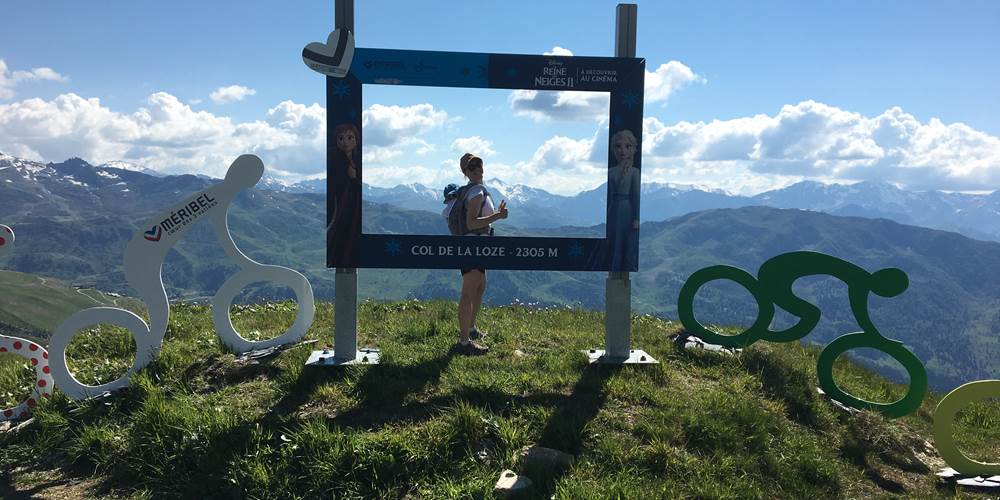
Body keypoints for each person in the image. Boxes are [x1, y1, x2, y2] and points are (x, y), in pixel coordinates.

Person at [448, 153, 508, 355]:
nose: (477, 169)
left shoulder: (474, 191)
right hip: (472, 245)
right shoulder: (476, 193)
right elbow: (471, 223)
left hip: (475, 245)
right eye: (471, 167)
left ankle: (471, 329)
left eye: (479, 165)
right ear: (465, 172)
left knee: (480, 285)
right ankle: (464, 342)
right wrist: (497, 216)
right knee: (469, 290)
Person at [327, 123, 362, 267]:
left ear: (356, 140)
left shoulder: (356, 161)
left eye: (349, 138)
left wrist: (354, 178)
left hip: (352, 206)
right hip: (340, 206)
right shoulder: (335, 159)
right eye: (341, 138)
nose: (345, 142)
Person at [607, 129, 640, 271]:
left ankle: (626, 266)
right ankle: (614, 265)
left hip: (627, 209)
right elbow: (609, 195)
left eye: (627, 146)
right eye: (618, 146)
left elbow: (636, 196)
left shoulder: (634, 172)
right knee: (615, 241)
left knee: (627, 241)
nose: (623, 150)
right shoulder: (611, 172)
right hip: (614, 210)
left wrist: (636, 218)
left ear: (632, 149)